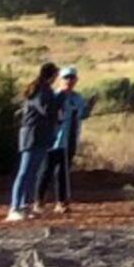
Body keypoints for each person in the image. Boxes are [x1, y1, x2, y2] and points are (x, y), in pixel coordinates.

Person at [6, 63, 65, 221]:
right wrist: (61, 96)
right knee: (25, 172)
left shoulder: (45, 90)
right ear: (51, 75)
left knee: (33, 173)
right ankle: (15, 206)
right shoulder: (40, 91)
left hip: (41, 136)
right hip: (32, 135)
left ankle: (25, 205)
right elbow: (47, 110)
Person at [43, 67, 91, 211]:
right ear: (61, 79)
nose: (69, 81)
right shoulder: (55, 96)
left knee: (63, 171)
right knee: (47, 169)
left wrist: (90, 107)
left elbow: (82, 115)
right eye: (66, 78)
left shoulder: (78, 98)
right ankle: (39, 200)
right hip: (54, 139)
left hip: (70, 138)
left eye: (72, 78)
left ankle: (62, 202)